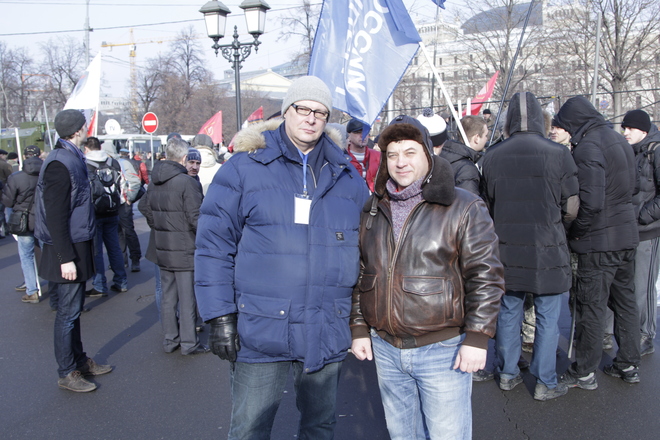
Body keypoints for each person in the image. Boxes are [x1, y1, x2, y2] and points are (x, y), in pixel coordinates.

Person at [195, 76, 369, 439]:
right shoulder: (245, 168)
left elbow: (367, 249)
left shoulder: (346, 176)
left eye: (320, 112)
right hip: (260, 326)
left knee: (319, 427)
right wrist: (219, 316)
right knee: (250, 428)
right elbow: (214, 246)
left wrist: (360, 321)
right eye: (302, 108)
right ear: (286, 111)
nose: (311, 118)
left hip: (325, 324)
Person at [350, 115, 504, 439]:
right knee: (402, 435)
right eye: (392, 155)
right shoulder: (373, 208)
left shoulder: (464, 206)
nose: (400, 162)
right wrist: (359, 328)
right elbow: (364, 271)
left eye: (410, 153)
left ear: (428, 155)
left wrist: (477, 337)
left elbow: (485, 276)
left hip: (442, 348)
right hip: (387, 349)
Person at [481, 92, 579, 401]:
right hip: (547, 244)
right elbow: (571, 206)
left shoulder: (492, 155)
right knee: (548, 314)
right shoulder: (559, 153)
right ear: (540, 118)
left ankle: (507, 372)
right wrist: (559, 228)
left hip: (506, 247)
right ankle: (544, 380)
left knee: (508, 310)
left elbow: (486, 205)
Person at [554, 96, 640, 388]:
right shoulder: (617, 140)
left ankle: (584, 370)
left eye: (565, 125)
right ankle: (628, 362)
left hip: (600, 241)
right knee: (625, 302)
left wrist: (576, 231)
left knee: (591, 306)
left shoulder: (588, 147)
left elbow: (591, 202)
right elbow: (633, 187)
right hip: (625, 235)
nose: (565, 130)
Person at [34, 109, 112, 392]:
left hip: (76, 244)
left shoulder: (70, 156)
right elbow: (55, 215)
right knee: (67, 313)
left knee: (74, 310)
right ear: (79, 130)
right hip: (66, 250)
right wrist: (65, 258)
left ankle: (79, 361)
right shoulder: (59, 162)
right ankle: (67, 372)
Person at [139, 137, 207, 356]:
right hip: (184, 248)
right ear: (184, 157)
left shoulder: (155, 181)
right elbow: (196, 218)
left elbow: (144, 206)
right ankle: (189, 343)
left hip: (163, 247)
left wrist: (158, 226)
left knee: (168, 297)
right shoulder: (186, 182)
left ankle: (171, 340)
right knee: (187, 298)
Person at [621, 109, 660, 356]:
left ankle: (646, 334)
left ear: (643, 131)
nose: (625, 132)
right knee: (630, 286)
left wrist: (641, 216)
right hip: (630, 228)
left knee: (643, 285)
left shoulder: (655, 151)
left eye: (630, 128)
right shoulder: (632, 151)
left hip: (648, 231)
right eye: (624, 128)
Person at [84, 136, 127, 296]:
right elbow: (123, 185)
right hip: (113, 210)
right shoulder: (113, 162)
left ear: (86, 148)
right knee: (114, 247)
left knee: (96, 251)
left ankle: (99, 285)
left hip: (94, 213)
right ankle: (121, 281)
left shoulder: (85, 164)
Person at [1, 145, 43, 303]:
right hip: (43, 219)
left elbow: (8, 201)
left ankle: (32, 289)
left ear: (24, 157)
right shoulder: (47, 174)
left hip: (23, 220)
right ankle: (56, 287)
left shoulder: (16, 177)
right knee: (48, 253)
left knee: (26, 256)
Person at [439, 115, 488, 195]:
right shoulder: (467, 169)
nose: (486, 139)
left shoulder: (444, 154)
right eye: (486, 135)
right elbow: (470, 199)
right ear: (476, 138)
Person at [117, 148, 143, 272]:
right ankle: (122, 260)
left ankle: (135, 258)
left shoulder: (122, 163)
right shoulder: (111, 162)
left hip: (124, 203)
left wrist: (130, 198)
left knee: (128, 231)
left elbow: (135, 181)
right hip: (115, 204)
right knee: (118, 233)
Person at [345, 118, 380, 192]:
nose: (362, 135)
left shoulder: (378, 156)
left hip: (373, 197)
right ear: (349, 135)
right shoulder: (342, 157)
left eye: (365, 132)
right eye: (358, 132)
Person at [0, 148, 13, 238]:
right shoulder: (5, 165)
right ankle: (7, 229)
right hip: (2, 191)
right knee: (2, 212)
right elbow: (11, 178)